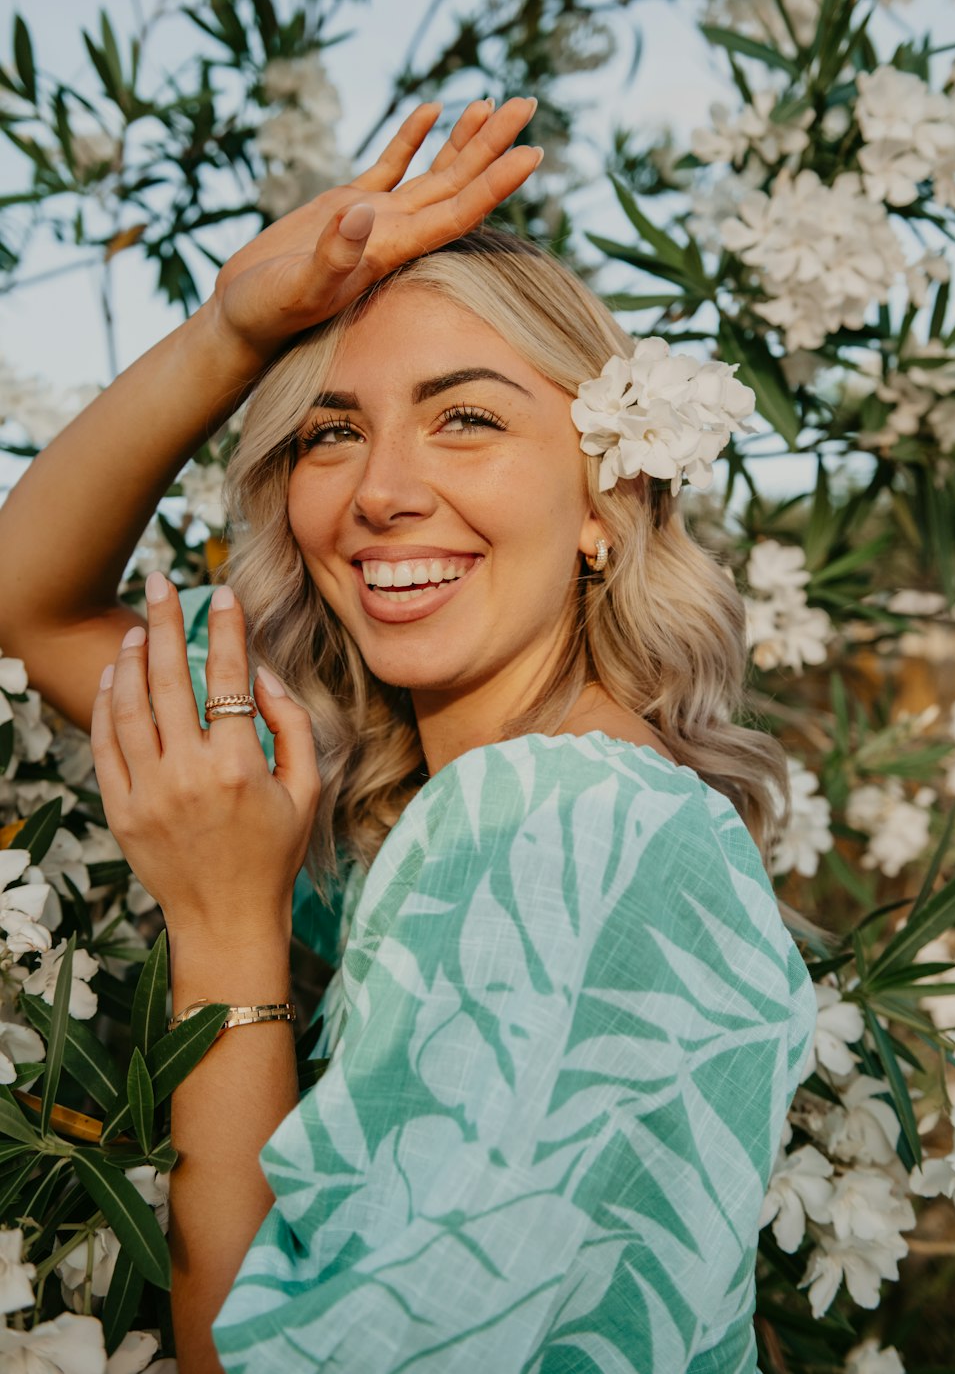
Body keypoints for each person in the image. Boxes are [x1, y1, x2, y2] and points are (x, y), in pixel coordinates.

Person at [0, 96, 815, 1374]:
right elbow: (29, 607)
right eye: (331, 431)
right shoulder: (406, 793)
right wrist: (230, 327)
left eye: (468, 418)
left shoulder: (554, 829)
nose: (382, 492)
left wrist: (224, 931)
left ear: (610, 496)